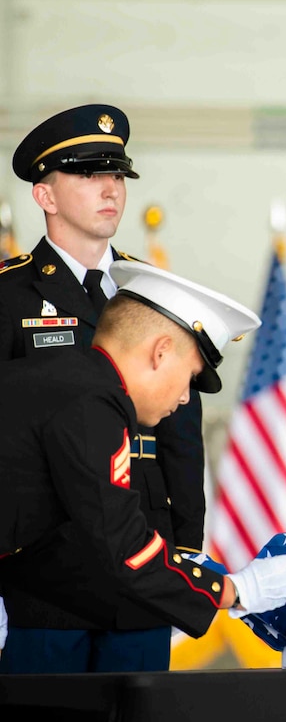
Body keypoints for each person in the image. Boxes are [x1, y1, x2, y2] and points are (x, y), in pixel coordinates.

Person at [0, 261, 286, 673]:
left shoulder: (58, 383)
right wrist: (234, 590)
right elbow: (121, 545)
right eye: (190, 377)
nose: (182, 400)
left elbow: (65, 537)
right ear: (160, 352)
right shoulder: (93, 403)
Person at [0, 104, 207, 672]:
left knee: (142, 705)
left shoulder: (156, 293)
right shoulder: (9, 297)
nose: (110, 188)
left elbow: (183, 429)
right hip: (46, 564)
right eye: (89, 175)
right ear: (45, 196)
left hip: (143, 548)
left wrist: (186, 542)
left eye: (116, 174)